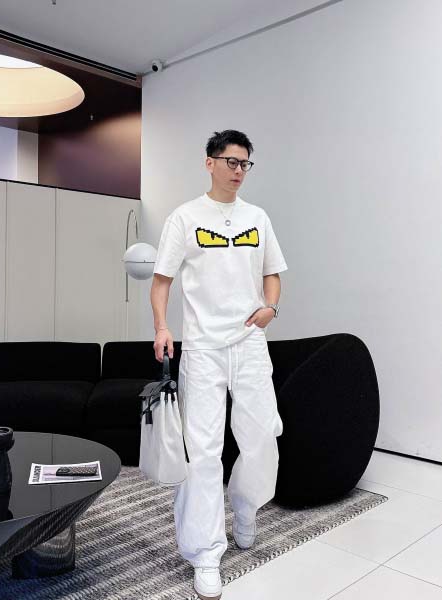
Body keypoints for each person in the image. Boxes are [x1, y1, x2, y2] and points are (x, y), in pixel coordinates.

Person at [150, 129, 288, 600]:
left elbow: (272, 273)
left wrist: (270, 308)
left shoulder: (257, 217)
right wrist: (162, 327)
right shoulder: (185, 217)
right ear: (209, 163)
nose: (238, 170)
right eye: (230, 161)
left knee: (263, 435)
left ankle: (246, 506)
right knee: (203, 452)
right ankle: (206, 553)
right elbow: (162, 280)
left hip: (249, 343)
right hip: (203, 349)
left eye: (245, 163)